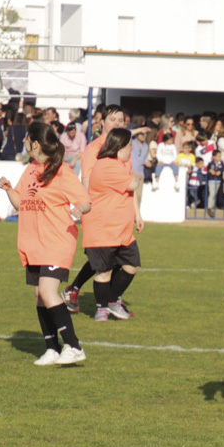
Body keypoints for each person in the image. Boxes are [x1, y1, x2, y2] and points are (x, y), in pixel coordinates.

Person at [0, 122, 91, 366]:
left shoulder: (61, 171)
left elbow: (86, 201)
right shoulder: (30, 169)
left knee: (49, 292)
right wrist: (8, 190)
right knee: (40, 296)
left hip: (56, 240)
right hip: (33, 243)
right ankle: (52, 348)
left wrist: (80, 208)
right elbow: (22, 204)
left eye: (26, 139)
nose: (24, 142)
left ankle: (74, 346)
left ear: (34, 143)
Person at [62, 105, 129, 312]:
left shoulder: (125, 147)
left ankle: (84, 291)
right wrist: (85, 209)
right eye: (112, 120)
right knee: (105, 258)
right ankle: (109, 300)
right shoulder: (94, 149)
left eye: (120, 120)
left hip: (118, 212)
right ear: (102, 123)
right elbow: (87, 182)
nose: (117, 123)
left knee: (117, 256)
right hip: (99, 212)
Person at [84, 128, 144, 322]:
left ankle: (111, 301)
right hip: (103, 230)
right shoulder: (107, 165)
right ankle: (102, 308)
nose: (132, 148)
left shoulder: (117, 165)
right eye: (129, 145)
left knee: (132, 265)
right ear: (119, 147)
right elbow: (133, 184)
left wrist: (137, 214)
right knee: (104, 271)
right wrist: (136, 175)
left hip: (121, 231)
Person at [206, 150, 224, 217]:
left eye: (220, 156)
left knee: (215, 193)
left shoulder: (221, 163)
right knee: (212, 193)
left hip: (218, 180)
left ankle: (212, 206)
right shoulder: (211, 163)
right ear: (214, 157)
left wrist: (220, 172)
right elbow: (209, 168)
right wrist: (211, 171)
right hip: (212, 180)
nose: (220, 157)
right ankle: (209, 207)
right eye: (218, 156)